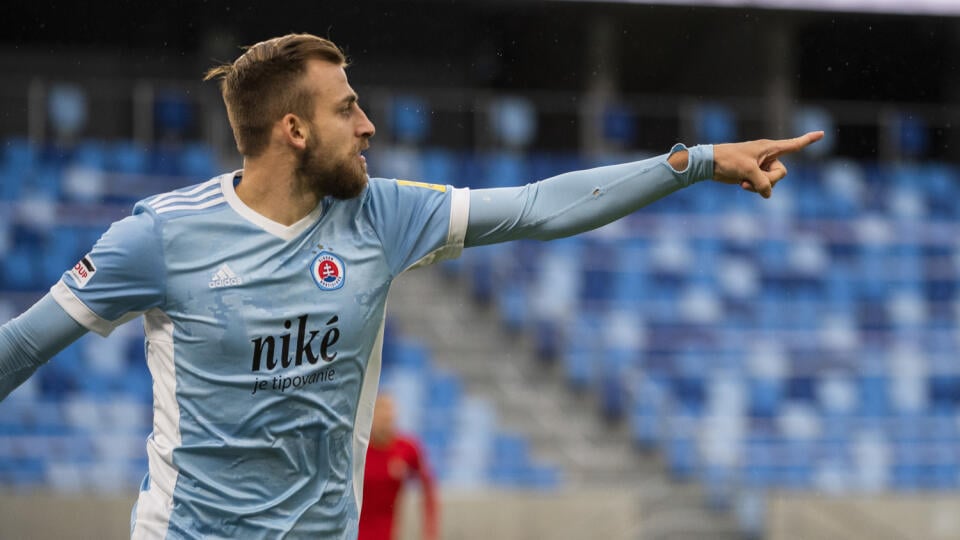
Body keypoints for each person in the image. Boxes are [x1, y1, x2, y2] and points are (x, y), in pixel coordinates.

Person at [0, 32, 823, 539]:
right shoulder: (160, 237)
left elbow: (538, 207)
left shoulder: (381, 216)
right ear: (293, 129)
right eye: (347, 108)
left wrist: (697, 163)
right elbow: (27, 343)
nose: (368, 126)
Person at [359, 394, 438, 540]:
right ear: (370, 416)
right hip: (355, 531)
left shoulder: (406, 448)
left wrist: (430, 530)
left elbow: (428, 486)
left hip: (388, 532)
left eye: (389, 417)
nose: (386, 421)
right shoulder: (358, 449)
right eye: (381, 416)